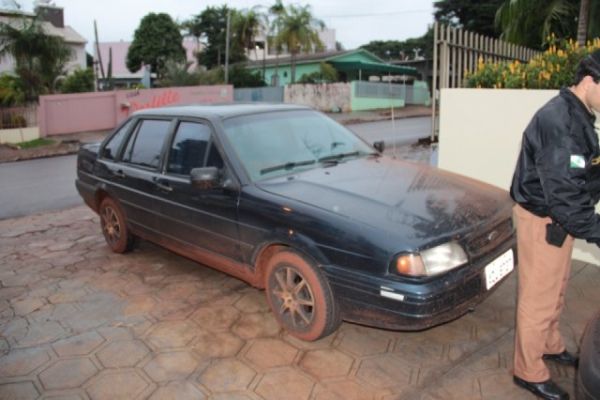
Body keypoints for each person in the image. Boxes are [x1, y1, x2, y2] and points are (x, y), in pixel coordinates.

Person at [510, 48, 600, 400]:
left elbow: (580, 172)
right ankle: (528, 370)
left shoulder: (579, 114)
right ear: (590, 81)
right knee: (538, 297)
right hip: (542, 218)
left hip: (560, 218)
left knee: (557, 287)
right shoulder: (559, 122)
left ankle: (549, 344)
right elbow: (564, 194)